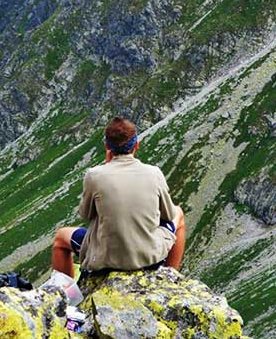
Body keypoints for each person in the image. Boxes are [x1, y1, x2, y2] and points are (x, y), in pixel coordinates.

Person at [51, 116, 186, 277]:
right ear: (136, 144)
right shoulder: (154, 173)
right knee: (178, 213)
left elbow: (85, 214)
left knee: (60, 238)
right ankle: (170, 276)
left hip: (105, 259)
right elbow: (168, 215)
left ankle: (67, 292)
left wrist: (106, 167)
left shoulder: (94, 175)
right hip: (149, 257)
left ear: (107, 146)